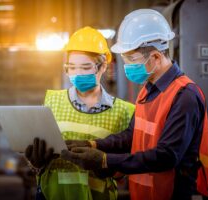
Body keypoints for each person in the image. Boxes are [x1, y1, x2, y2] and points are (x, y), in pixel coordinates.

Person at [61, 9, 208, 200]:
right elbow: (132, 135)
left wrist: (106, 160)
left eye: (132, 59)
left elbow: (166, 156)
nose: (127, 67)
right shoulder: (148, 89)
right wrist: (93, 144)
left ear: (156, 57)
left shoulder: (185, 96)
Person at [24, 26, 135, 200]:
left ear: (103, 66)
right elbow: (39, 159)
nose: (77, 74)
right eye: (71, 68)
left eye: (85, 67)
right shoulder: (52, 101)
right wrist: (36, 162)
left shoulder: (124, 112)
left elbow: (125, 169)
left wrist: (106, 166)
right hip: (52, 195)